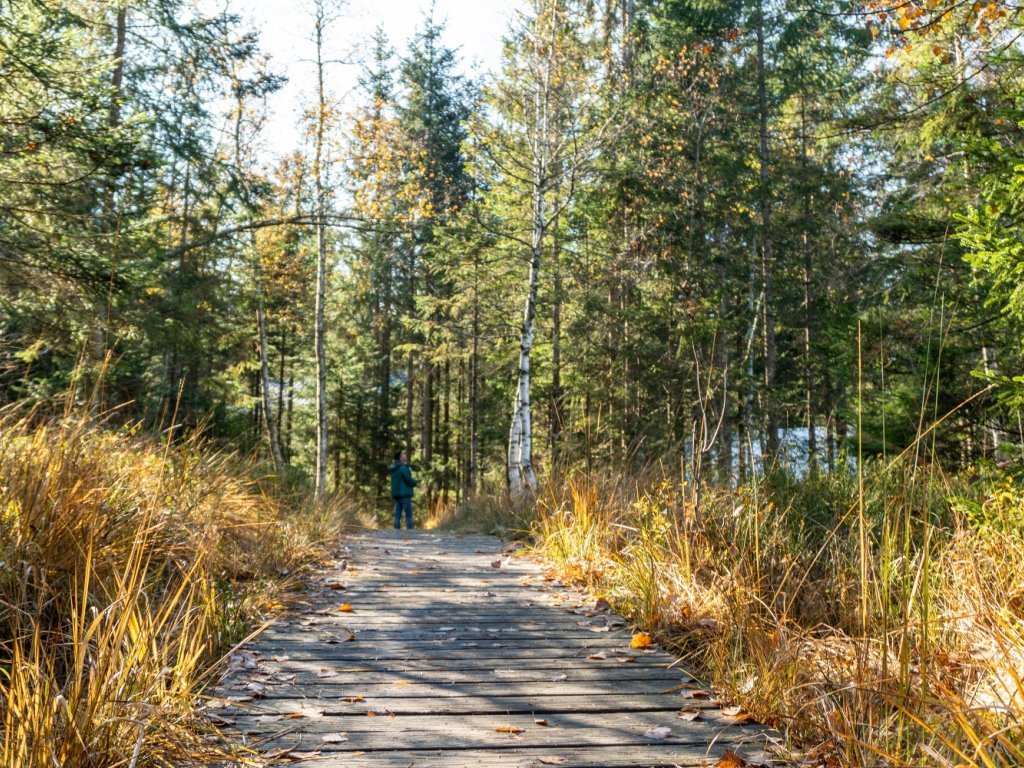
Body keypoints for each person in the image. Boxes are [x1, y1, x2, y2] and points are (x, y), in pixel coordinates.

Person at [388, 450, 418, 529]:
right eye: (403, 454)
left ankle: (396, 532)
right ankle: (409, 532)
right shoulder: (403, 468)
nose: (405, 455)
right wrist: (415, 482)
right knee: (408, 515)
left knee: (397, 514)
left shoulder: (393, 467)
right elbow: (409, 480)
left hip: (396, 494)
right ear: (400, 457)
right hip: (405, 494)